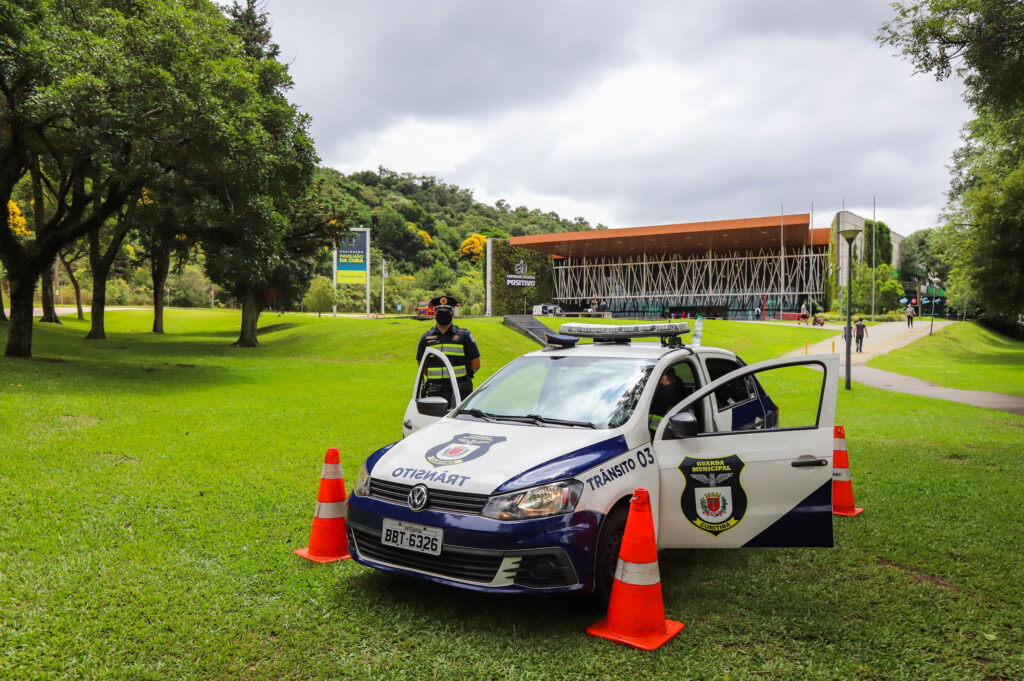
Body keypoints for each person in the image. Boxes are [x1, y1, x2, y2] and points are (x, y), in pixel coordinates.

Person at [416, 295, 480, 406]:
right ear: (435, 314)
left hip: (460, 390)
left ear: (452, 314)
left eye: (446, 313)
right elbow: (421, 365)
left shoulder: (464, 336)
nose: (443, 315)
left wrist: (463, 379)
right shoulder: (426, 338)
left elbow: (476, 364)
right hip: (435, 391)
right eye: (440, 313)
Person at [649, 369, 686, 434]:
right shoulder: (678, 383)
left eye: (662, 380)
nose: (660, 382)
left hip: (660, 427)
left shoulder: (665, 393)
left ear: (671, 380)